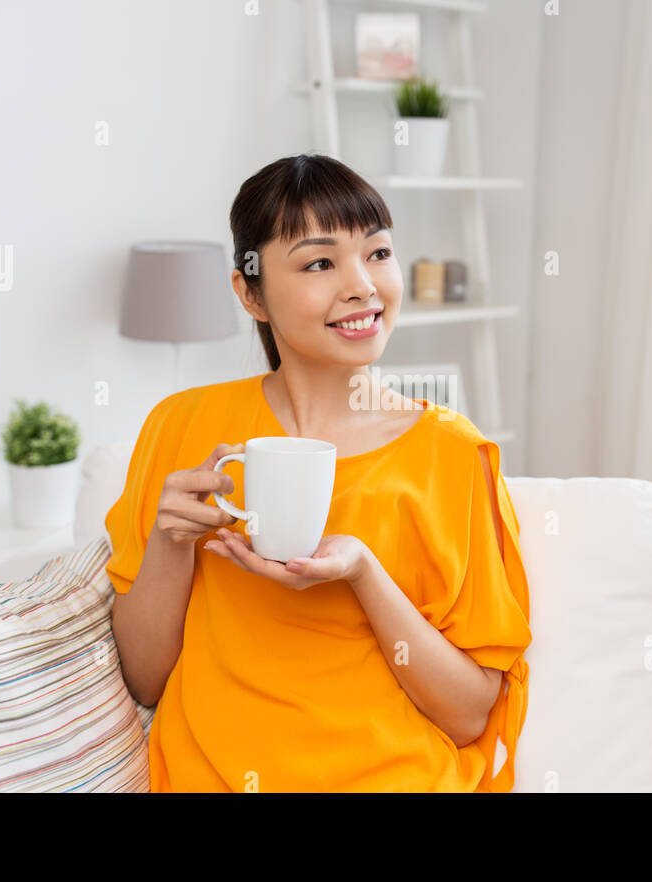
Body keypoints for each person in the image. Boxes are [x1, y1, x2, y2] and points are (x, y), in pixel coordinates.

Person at [105, 153, 531, 792]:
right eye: (319, 263)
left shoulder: (449, 452)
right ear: (251, 293)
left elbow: (471, 714)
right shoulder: (184, 427)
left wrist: (363, 573)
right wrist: (171, 544)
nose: (362, 285)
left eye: (378, 254)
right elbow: (145, 680)